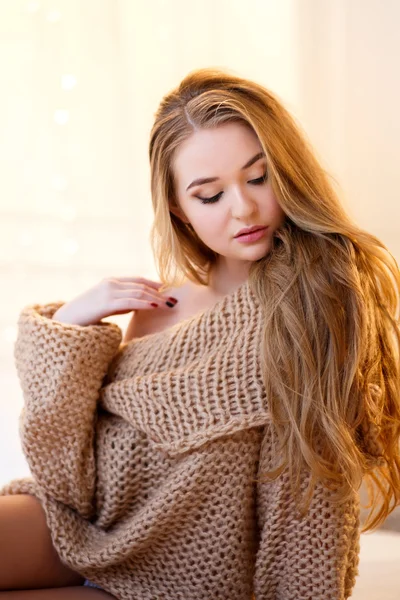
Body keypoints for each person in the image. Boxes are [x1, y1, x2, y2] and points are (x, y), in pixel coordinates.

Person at [0, 67, 399, 600]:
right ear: (178, 209)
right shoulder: (160, 305)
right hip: (78, 524)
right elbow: (66, 477)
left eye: (259, 178)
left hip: (178, 574)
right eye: (209, 195)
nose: (244, 208)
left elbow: (313, 494)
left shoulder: (314, 307)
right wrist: (73, 322)